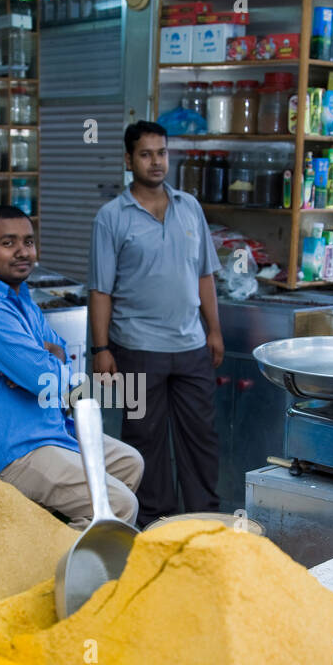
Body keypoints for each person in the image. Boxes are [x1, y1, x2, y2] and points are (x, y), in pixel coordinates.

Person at [0, 205, 143, 529]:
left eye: (28, 241)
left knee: (129, 464)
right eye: (8, 243)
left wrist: (37, 364)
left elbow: (60, 354)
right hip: (14, 450)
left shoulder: (21, 299)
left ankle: (58, 534)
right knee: (120, 505)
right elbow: (49, 380)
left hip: (48, 428)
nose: (22, 252)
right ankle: (57, 571)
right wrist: (40, 367)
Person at [88, 121, 223, 528]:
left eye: (161, 152)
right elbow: (100, 290)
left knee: (200, 439)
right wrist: (101, 349)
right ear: (129, 160)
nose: (156, 161)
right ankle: (154, 525)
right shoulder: (111, 217)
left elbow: (205, 275)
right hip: (135, 347)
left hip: (191, 346)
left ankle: (203, 522)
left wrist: (213, 330)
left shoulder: (190, 207)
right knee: (145, 441)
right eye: (146, 154)